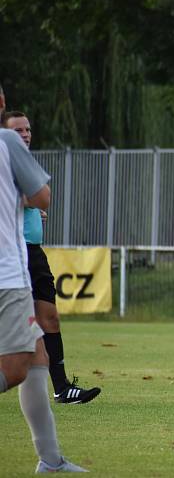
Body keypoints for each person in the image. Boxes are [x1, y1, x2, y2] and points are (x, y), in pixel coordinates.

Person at [0, 125, 88, 472]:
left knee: (37, 356)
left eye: (29, 129)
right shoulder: (6, 143)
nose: (24, 134)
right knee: (17, 365)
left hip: (14, 268)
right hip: (8, 273)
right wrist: (20, 197)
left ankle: (50, 460)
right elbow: (43, 196)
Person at [3, 111, 101, 403]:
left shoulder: (25, 162)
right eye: (17, 130)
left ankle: (62, 387)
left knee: (50, 318)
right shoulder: (5, 159)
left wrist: (30, 208)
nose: (25, 134)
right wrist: (28, 201)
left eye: (28, 129)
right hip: (11, 256)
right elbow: (36, 195)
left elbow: (34, 198)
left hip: (33, 253)